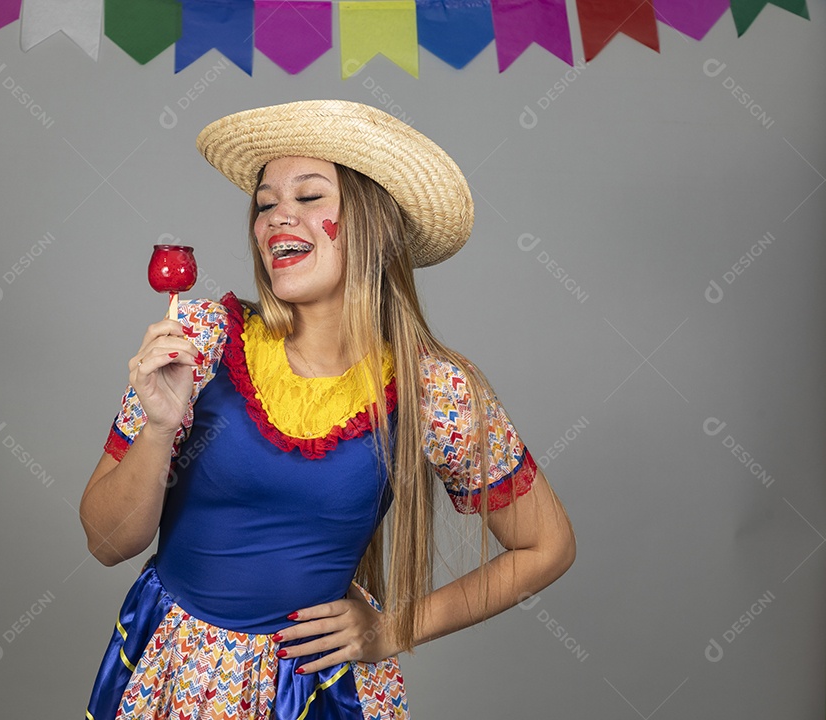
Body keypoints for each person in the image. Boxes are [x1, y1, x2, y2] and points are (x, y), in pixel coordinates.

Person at [80, 100, 576, 720]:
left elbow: (546, 546)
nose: (277, 217)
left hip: (315, 692)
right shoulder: (199, 341)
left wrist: (393, 629)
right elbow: (106, 543)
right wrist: (159, 427)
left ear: (375, 227)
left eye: (310, 196)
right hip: (174, 672)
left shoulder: (433, 390)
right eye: (265, 204)